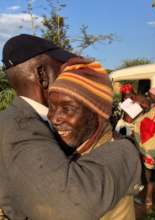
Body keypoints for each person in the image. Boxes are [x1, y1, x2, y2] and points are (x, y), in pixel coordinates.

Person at [0, 34, 142, 220]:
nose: (69, 73)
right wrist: (129, 148)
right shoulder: (22, 126)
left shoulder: (20, 118)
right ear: (42, 74)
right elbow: (70, 204)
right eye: (63, 67)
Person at [47, 60, 137, 220]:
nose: (54, 118)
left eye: (67, 109)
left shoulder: (108, 164)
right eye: (52, 107)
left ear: (97, 114)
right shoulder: (76, 148)